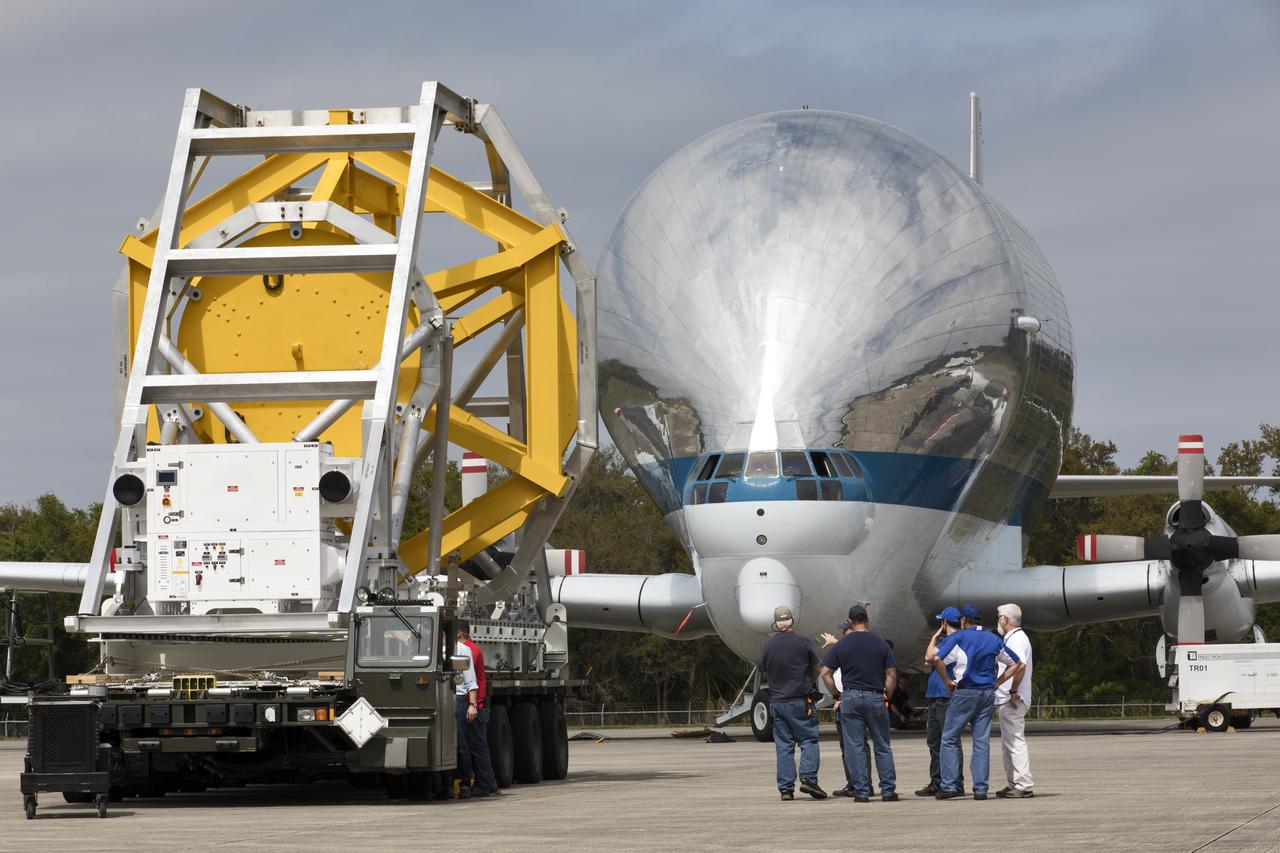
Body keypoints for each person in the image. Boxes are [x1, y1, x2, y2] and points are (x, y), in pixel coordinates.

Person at [927, 606, 1024, 800]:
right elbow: (1017, 663)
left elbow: (936, 658)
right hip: (987, 694)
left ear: (964, 620)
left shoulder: (959, 637)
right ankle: (980, 789)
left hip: (965, 692)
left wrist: (947, 681)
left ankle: (949, 785)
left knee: (949, 738)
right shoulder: (993, 639)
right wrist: (997, 682)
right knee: (981, 742)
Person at [820, 604, 898, 802]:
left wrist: (837, 695)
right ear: (867, 620)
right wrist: (886, 695)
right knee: (882, 744)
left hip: (851, 697)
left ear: (850, 621)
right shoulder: (880, 643)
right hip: (875, 696)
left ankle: (862, 791)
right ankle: (888, 790)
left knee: (855, 746)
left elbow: (825, 673)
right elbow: (891, 674)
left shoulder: (842, 645)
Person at [761, 605, 827, 801]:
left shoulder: (768, 645)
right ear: (791, 620)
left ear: (775, 623)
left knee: (783, 745)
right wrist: (810, 682)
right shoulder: (803, 642)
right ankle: (808, 779)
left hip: (778, 701)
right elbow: (816, 668)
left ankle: (786, 788)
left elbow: (766, 668)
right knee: (808, 740)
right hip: (800, 700)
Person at [820, 621, 874, 798]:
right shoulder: (849, 649)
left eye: (846, 630)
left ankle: (860, 784)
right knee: (851, 746)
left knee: (854, 746)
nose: (844, 633)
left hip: (847, 701)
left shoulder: (849, 651)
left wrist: (840, 697)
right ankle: (856, 782)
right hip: (847, 700)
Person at [916, 607, 966, 797]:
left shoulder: (953, 640)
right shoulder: (947, 641)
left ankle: (955, 781)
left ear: (944, 623)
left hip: (947, 697)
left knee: (950, 741)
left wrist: (934, 637)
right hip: (936, 697)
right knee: (934, 742)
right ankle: (937, 780)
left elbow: (929, 657)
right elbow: (928, 661)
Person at [995, 603, 1035, 798]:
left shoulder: (1015, 639)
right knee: (1009, 742)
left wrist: (1010, 689)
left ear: (1005, 620)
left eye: (998, 617)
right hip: (1011, 698)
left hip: (1013, 699)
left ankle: (1023, 784)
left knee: (1015, 741)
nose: (997, 621)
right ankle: (1014, 782)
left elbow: (1019, 666)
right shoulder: (1015, 638)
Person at [459, 624, 498, 797]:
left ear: (458, 632)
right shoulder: (472, 648)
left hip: (475, 706)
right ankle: (489, 783)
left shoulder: (469, 650)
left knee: (476, 746)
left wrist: (473, 704)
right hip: (475, 704)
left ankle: (484, 784)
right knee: (477, 746)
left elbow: (467, 676)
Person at [453, 637, 480, 799]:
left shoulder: (462, 650)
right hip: (435, 698)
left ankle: (465, 783)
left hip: (457, 699)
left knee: (461, 743)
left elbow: (471, 681)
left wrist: (472, 704)